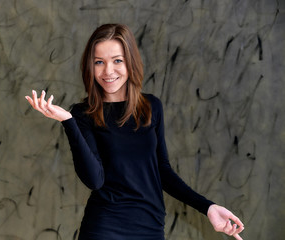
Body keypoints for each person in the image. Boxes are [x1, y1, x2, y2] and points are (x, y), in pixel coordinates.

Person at [25, 23, 244, 240]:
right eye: (99, 62)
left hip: (150, 227)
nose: (108, 71)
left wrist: (208, 208)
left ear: (130, 63)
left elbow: (163, 171)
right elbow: (95, 180)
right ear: (90, 67)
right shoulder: (83, 114)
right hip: (104, 228)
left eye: (117, 60)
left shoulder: (151, 107)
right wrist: (68, 121)